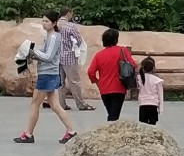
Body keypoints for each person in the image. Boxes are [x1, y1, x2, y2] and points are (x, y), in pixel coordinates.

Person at [14, 13, 76, 144]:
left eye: (47, 21)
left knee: (35, 104)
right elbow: (45, 54)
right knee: (55, 105)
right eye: (43, 21)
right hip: (49, 73)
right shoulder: (50, 36)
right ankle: (71, 131)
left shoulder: (53, 37)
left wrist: (32, 52)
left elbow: (48, 56)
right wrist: (33, 55)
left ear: (54, 23)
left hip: (47, 74)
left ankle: (28, 133)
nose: (44, 23)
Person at [85, 27, 136, 122]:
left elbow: (91, 72)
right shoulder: (122, 51)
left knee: (111, 113)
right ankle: (110, 134)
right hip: (119, 87)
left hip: (104, 89)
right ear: (116, 39)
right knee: (114, 115)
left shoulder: (99, 55)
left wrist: (96, 81)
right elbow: (133, 65)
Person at [58, 12, 92, 111]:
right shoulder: (70, 26)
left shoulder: (55, 24)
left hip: (57, 57)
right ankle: (80, 104)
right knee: (74, 81)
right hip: (69, 57)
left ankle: (61, 104)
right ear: (68, 13)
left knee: (60, 83)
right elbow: (79, 40)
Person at [135, 55, 164, 125]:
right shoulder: (157, 80)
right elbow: (160, 94)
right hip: (153, 104)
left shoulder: (139, 78)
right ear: (153, 68)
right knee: (152, 124)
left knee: (143, 125)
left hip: (143, 103)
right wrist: (161, 107)